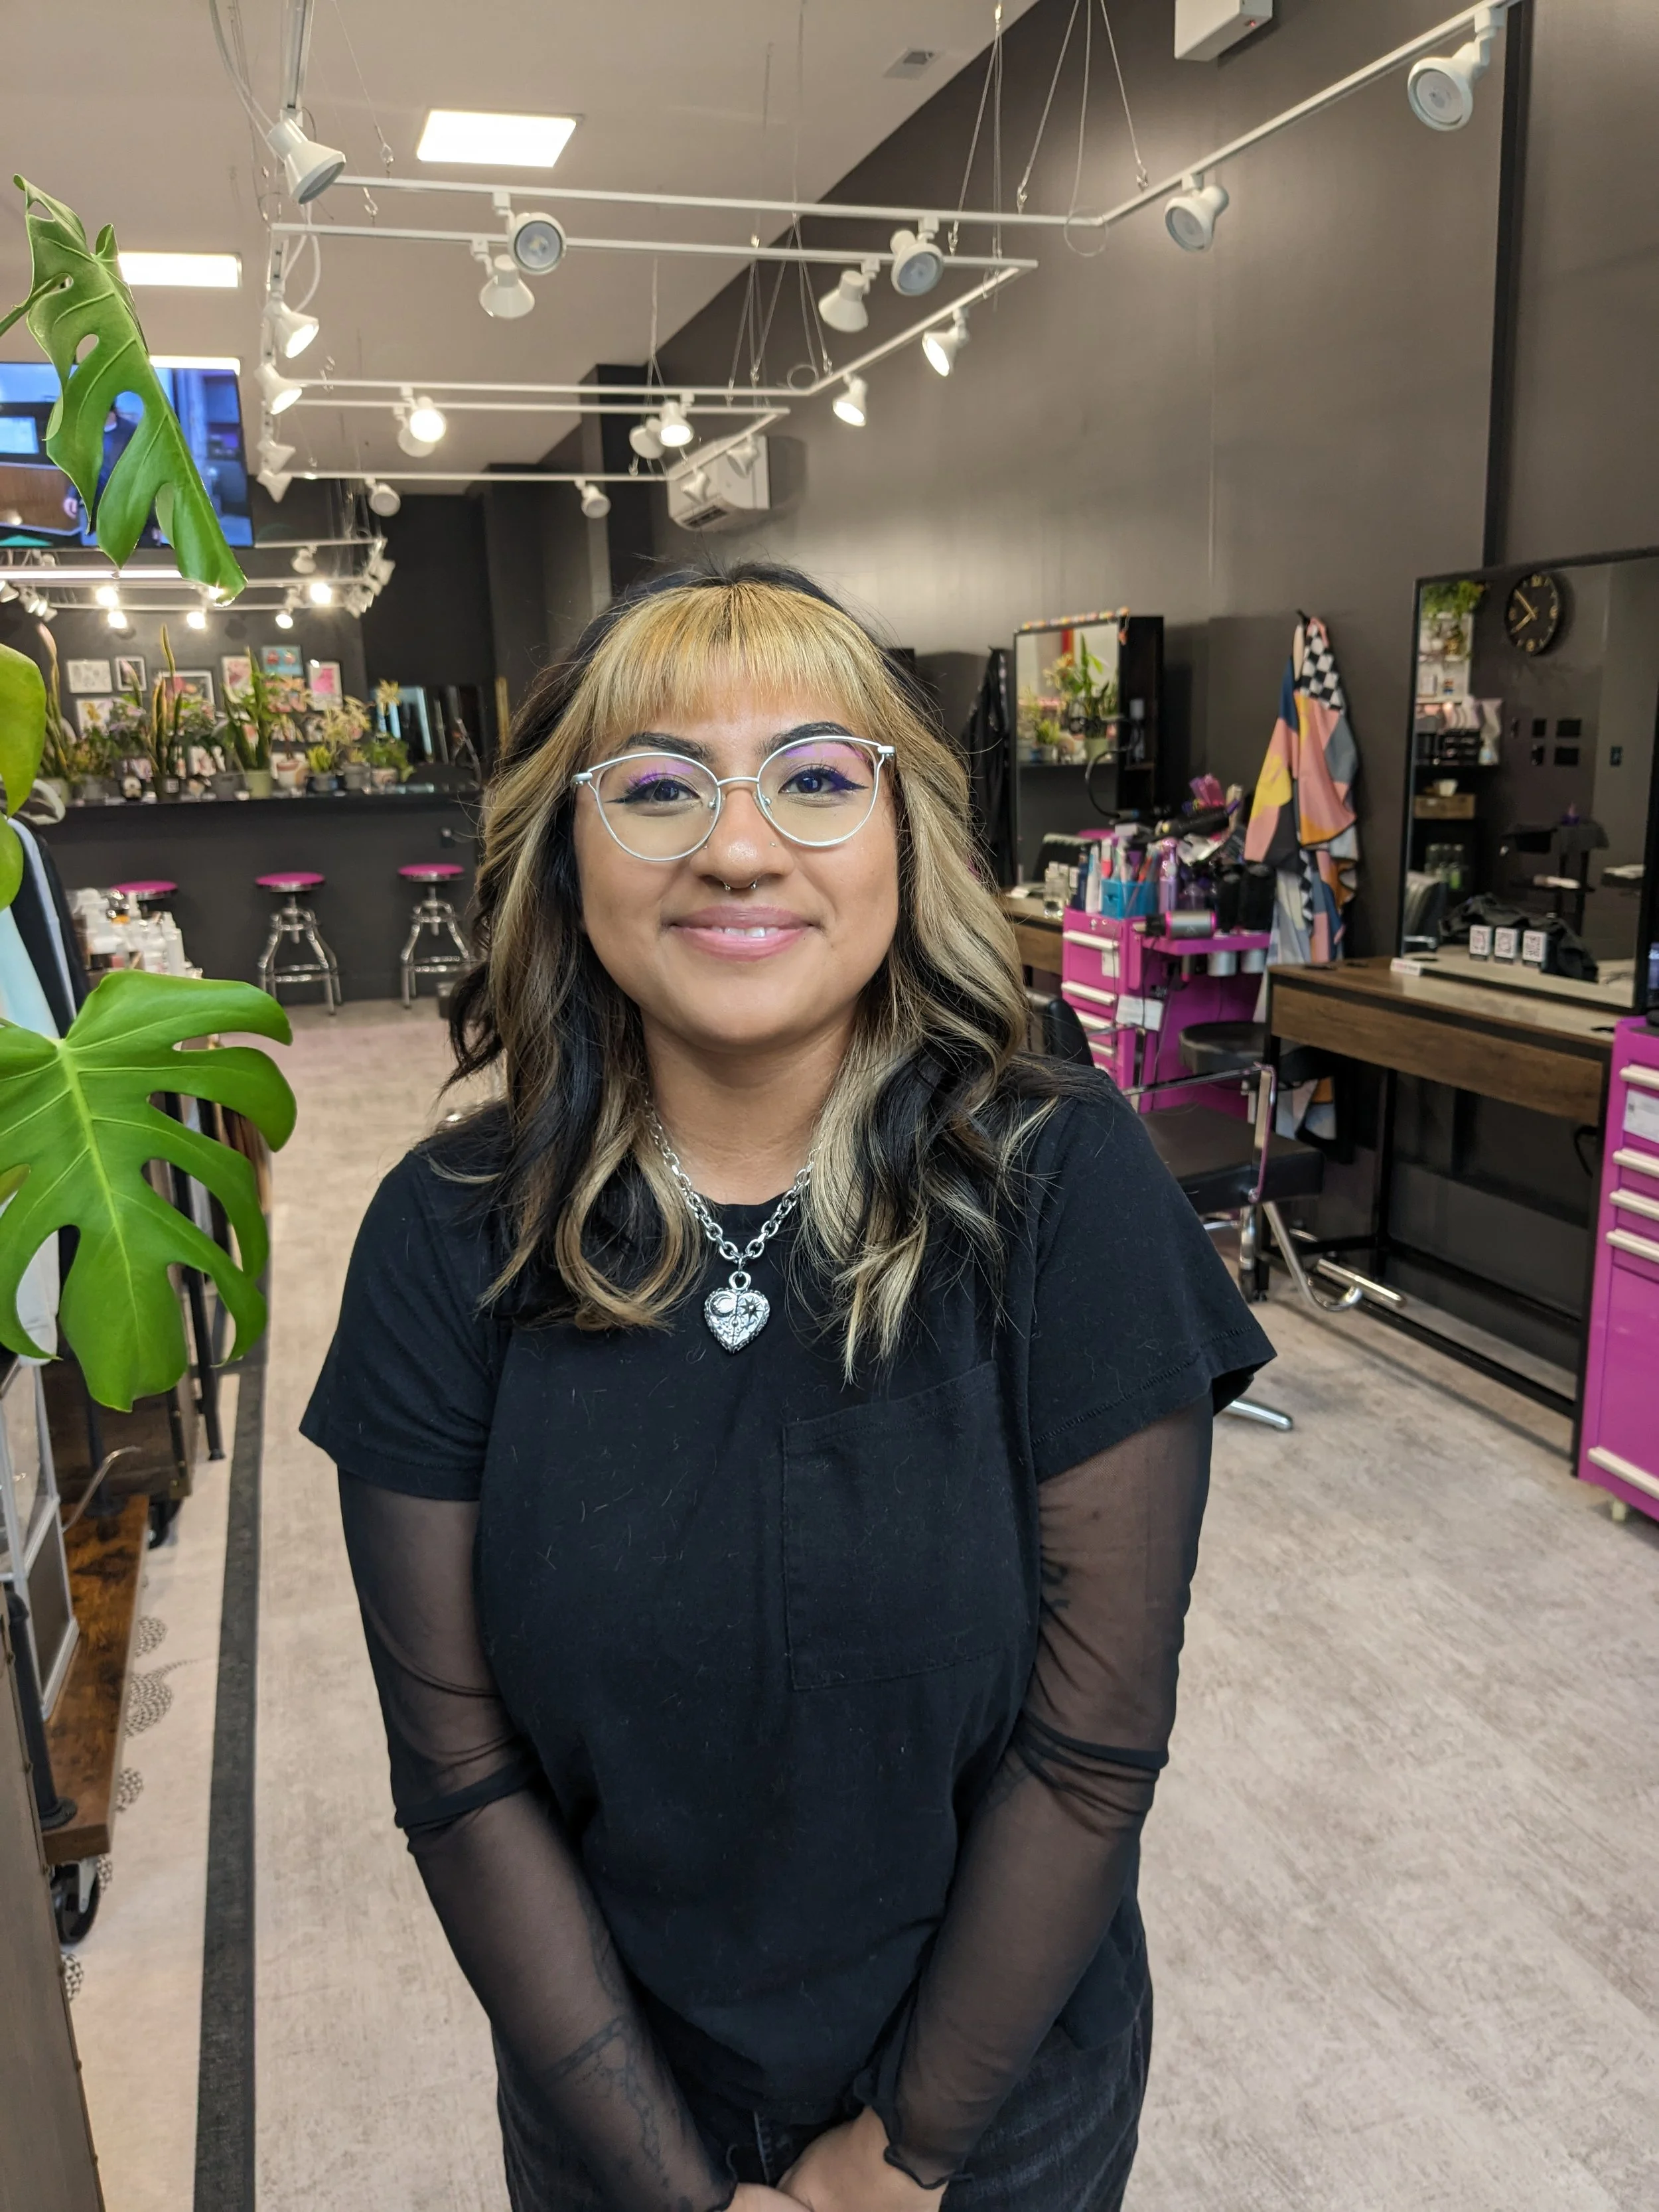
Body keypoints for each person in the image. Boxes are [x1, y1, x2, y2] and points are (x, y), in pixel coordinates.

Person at [302, 563, 1273, 2211]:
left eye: (817, 780)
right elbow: (461, 1773)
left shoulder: (1062, 1189)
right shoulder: (441, 1240)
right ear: (567, 850)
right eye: (658, 787)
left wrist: (888, 2165)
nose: (738, 846)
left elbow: (1091, 1742)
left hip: (993, 2115)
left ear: (905, 839)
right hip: (608, 2109)